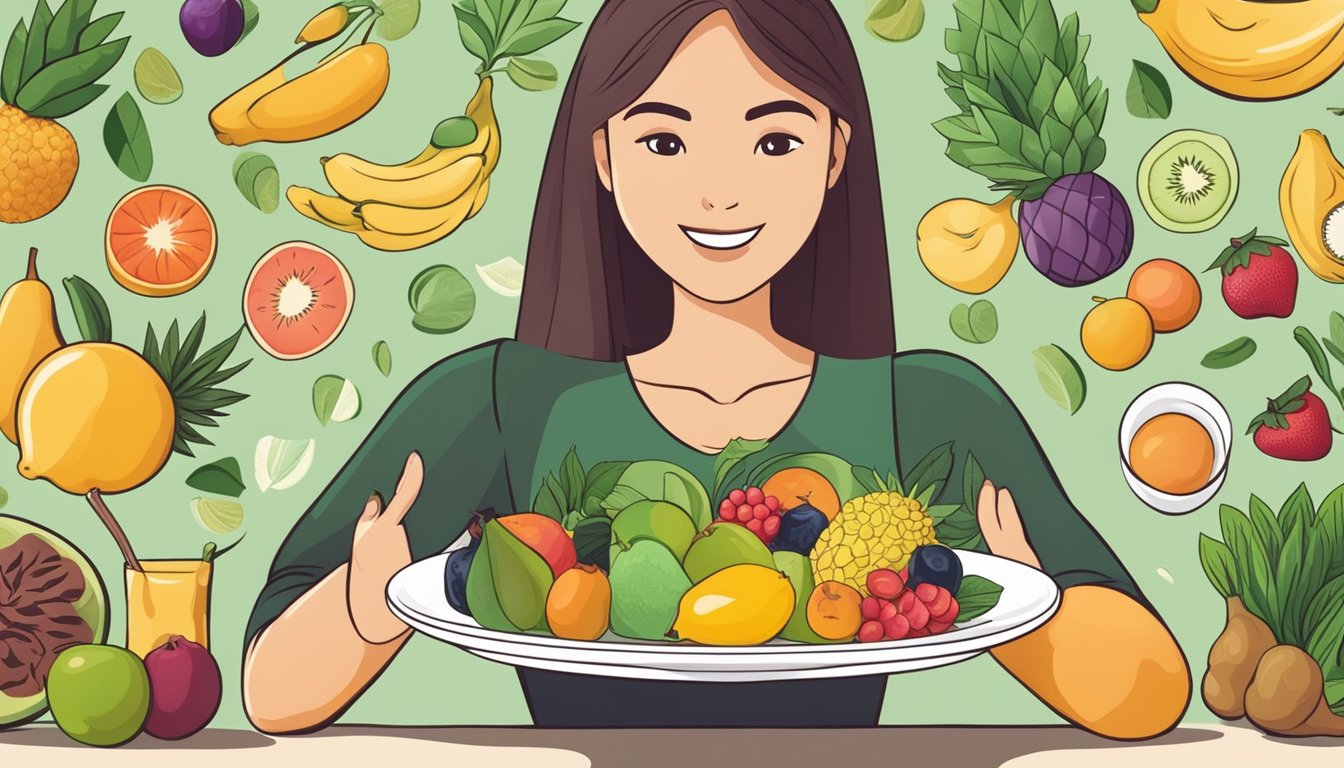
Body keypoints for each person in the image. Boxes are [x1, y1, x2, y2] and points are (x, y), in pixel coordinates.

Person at [242, 0, 1190, 737]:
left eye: (774, 139)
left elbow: (1152, 691)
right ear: (603, 155)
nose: (720, 189)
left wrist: (1022, 610)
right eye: (665, 139)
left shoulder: (930, 408)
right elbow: (269, 691)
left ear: (834, 155)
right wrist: (368, 611)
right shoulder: (502, 399)